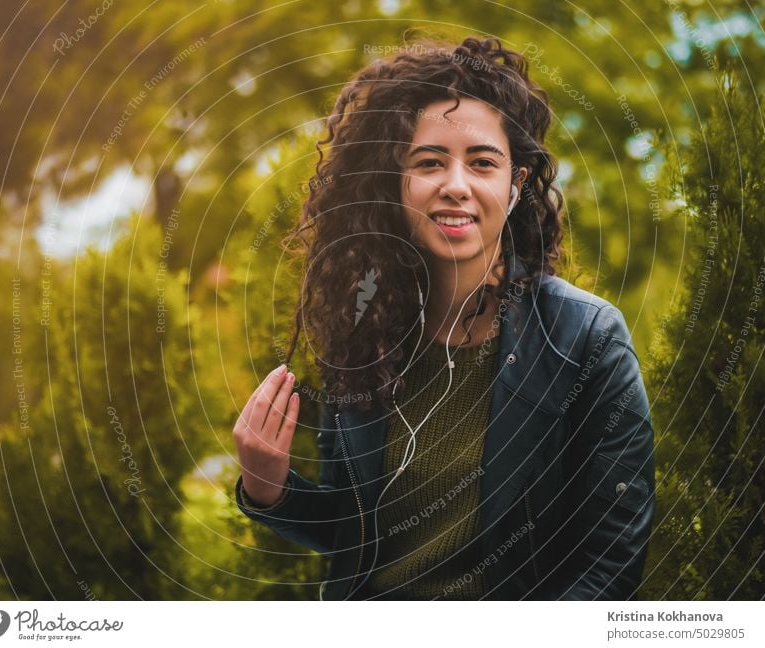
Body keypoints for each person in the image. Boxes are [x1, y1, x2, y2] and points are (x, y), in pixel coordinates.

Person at [233, 36, 655, 600]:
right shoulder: (364, 329)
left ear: (516, 185)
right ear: (396, 183)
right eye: (429, 162)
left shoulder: (586, 340)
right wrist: (269, 488)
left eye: (482, 163)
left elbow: (611, 566)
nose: (455, 185)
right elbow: (352, 536)